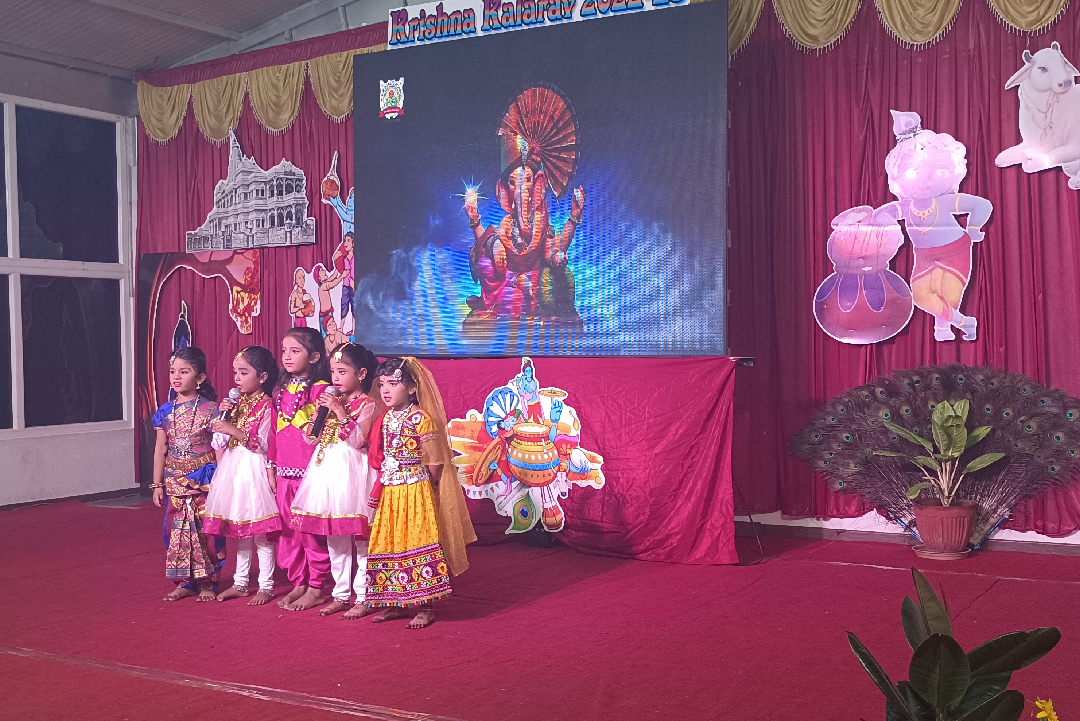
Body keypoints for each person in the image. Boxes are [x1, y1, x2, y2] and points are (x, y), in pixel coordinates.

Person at [364, 357, 477, 628]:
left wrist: (428, 485)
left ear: (412, 388)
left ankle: (425, 607)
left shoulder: (421, 419)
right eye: (382, 384)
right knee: (390, 540)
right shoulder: (386, 418)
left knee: (417, 540)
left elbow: (435, 460)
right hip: (391, 490)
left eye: (393, 384)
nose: (386, 390)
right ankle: (394, 602)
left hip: (415, 489)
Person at [873, 110, 992, 342]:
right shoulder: (907, 206)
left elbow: (982, 205)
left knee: (948, 294)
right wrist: (886, 230)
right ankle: (964, 323)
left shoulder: (945, 201)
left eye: (938, 172)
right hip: (924, 257)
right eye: (913, 173)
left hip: (955, 251)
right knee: (920, 296)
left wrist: (973, 228)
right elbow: (883, 214)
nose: (926, 182)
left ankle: (943, 329)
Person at [291, 343, 382, 619]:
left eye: (342, 372)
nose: (336, 378)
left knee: (360, 537)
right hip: (326, 472)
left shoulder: (367, 404)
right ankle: (341, 594)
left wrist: (340, 412)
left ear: (361, 373)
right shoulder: (331, 401)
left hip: (353, 473)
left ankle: (363, 595)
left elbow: (358, 441)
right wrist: (317, 416)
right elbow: (310, 438)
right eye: (333, 372)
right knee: (334, 535)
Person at [203, 345, 281, 605]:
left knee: (260, 532)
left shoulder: (268, 406)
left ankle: (266, 586)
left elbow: (264, 444)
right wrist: (224, 418)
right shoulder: (236, 404)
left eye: (244, 373)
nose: (237, 378)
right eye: (235, 372)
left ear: (262, 376)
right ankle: (240, 582)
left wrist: (233, 430)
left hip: (255, 469)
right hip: (234, 468)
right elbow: (220, 440)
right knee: (241, 530)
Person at [150, 347, 225, 602]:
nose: (176, 376)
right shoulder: (164, 412)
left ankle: (208, 583)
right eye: (173, 371)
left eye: (184, 371)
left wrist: (222, 482)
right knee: (176, 532)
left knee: (207, 533)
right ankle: (186, 582)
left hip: (204, 479)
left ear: (200, 377)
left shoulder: (212, 409)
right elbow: (160, 449)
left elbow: (219, 448)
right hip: (174, 482)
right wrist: (156, 484)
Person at [267, 327, 333, 611]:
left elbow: (324, 433)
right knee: (289, 533)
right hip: (284, 472)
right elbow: (273, 432)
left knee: (310, 532)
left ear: (314, 356)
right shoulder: (279, 390)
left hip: (311, 474)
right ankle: (299, 582)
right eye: (284, 350)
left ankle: (317, 586)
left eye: (295, 351)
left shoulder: (322, 390)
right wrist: (271, 466)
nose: (287, 356)